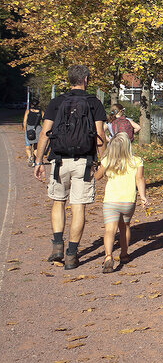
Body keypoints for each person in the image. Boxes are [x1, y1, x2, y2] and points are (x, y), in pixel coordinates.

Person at [33, 65, 107, 270]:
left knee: (58, 201)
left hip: (58, 161)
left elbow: (44, 133)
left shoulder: (57, 102)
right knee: (78, 207)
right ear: (85, 79)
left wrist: (39, 161)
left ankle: (57, 246)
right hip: (84, 163)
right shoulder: (94, 103)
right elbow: (100, 139)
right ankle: (72, 255)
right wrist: (104, 163)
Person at [94, 133, 148, 273]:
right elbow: (140, 179)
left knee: (110, 230)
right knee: (125, 227)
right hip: (128, 200)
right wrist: (143, 196)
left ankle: (108, 256)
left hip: (111, 201)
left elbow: (97, 177)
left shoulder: (107, 160)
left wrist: (96, 169)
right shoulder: (136, 160)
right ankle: (124, 254)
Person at [22, 96, 43, 167]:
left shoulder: (28, 111)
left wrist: (25, 130)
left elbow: (24, 121)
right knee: (36, 147)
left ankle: (30, 157)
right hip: (38, 129)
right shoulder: (41, 112)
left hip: (29, 129)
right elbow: (45, 120)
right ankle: (36, 161)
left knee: (28, 146)